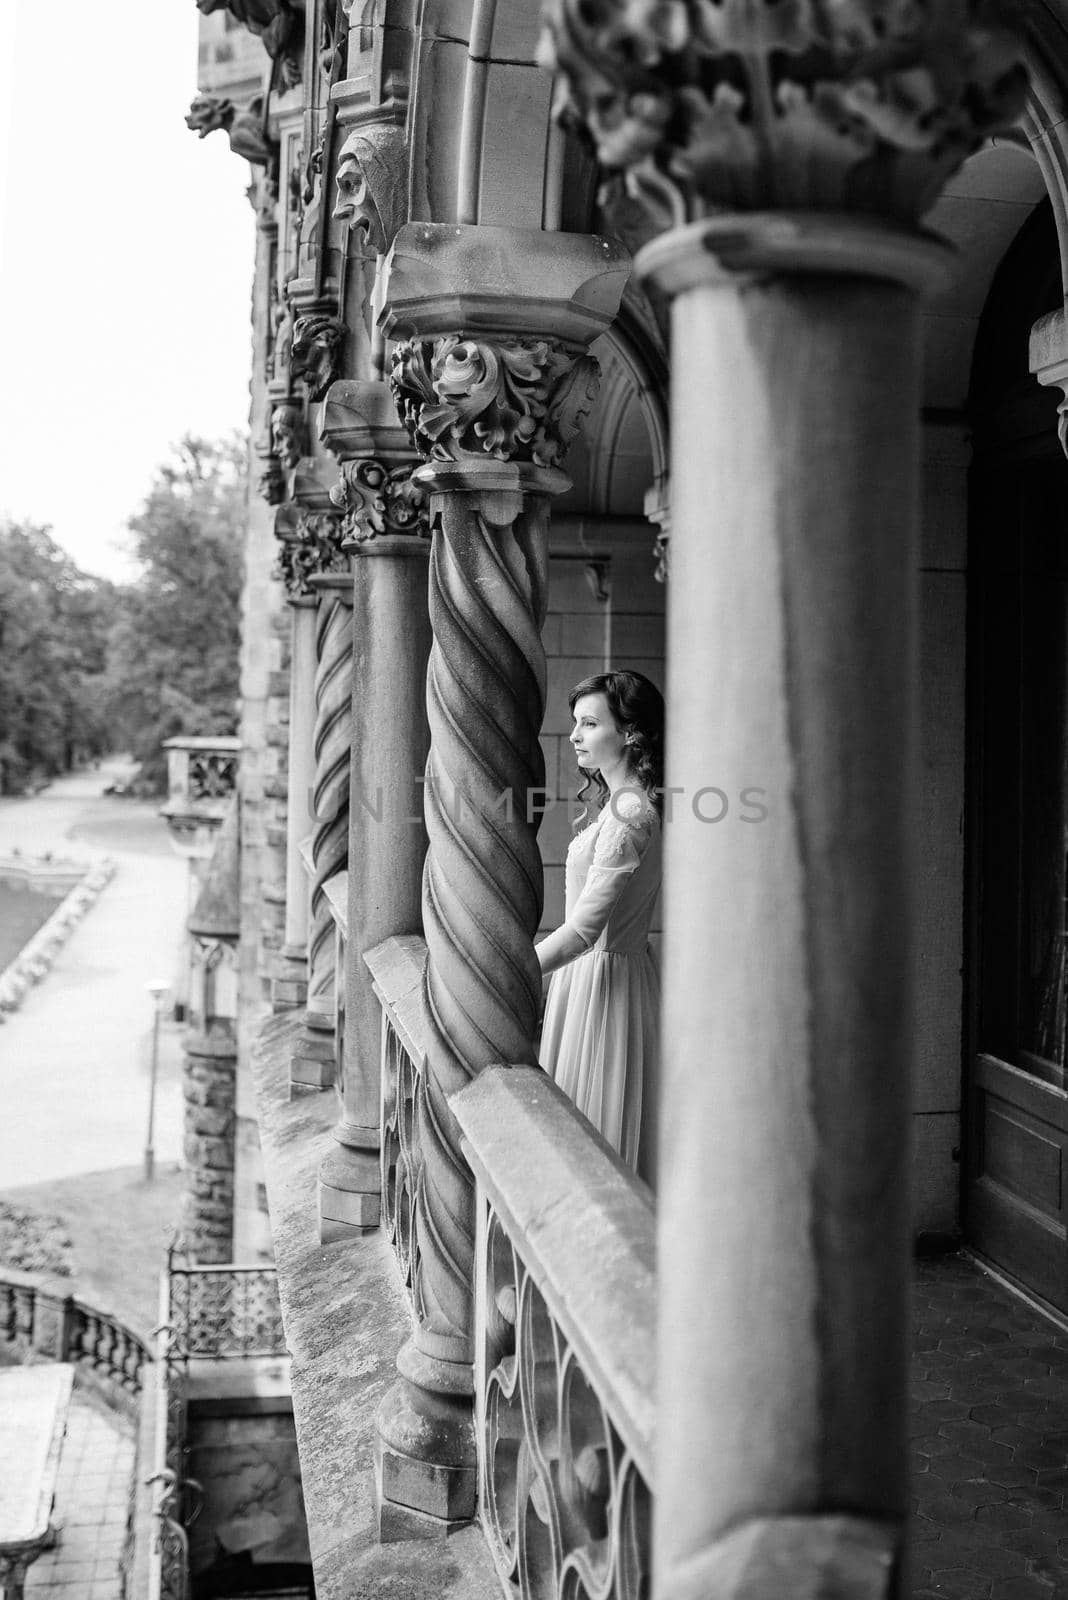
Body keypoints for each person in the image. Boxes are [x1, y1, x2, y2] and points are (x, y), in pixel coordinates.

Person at [536, 669, 664, 1181]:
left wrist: (516, 969)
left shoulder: (631, 812)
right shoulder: (622, 803)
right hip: (591, 978)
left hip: (602, 984)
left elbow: (585, 929)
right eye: (575, 723)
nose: (573, 735)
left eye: (589, 723)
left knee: (595, 1142)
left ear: (630, 733)